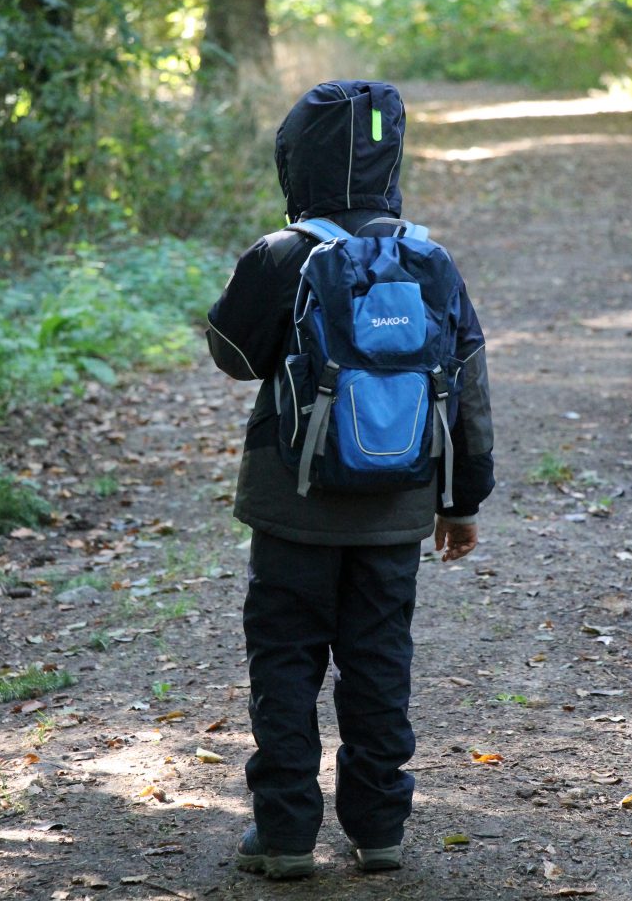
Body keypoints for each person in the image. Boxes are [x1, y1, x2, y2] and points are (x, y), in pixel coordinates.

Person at [206, 80, 494, 880]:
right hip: (397, 507)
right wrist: (460, 500)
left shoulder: (283, 252)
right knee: (378, 662)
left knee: (285, 662)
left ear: (294, 157)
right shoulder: (429, 260)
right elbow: (466, 384)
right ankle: (378, 832)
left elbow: (232, 359)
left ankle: (286, 835)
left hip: (290, 504)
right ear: (391, 155)